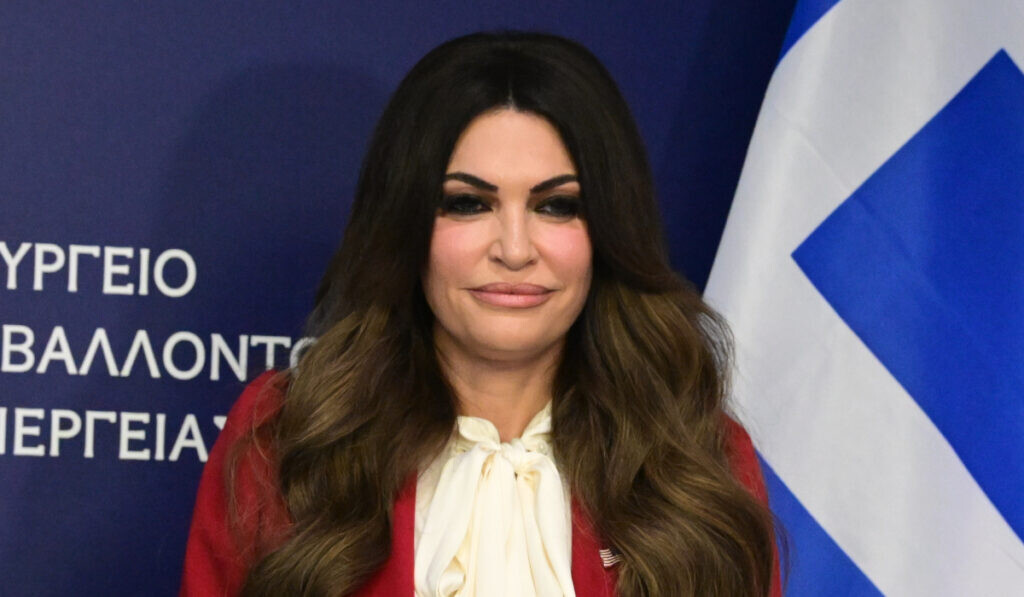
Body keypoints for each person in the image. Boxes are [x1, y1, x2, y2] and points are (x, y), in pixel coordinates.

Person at [181, 31, 780, 597]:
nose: (515, 249)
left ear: (609, 232)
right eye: (468, 203)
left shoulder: (697, 457)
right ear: (406, 225)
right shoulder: (284, 440)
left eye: (556, 206)